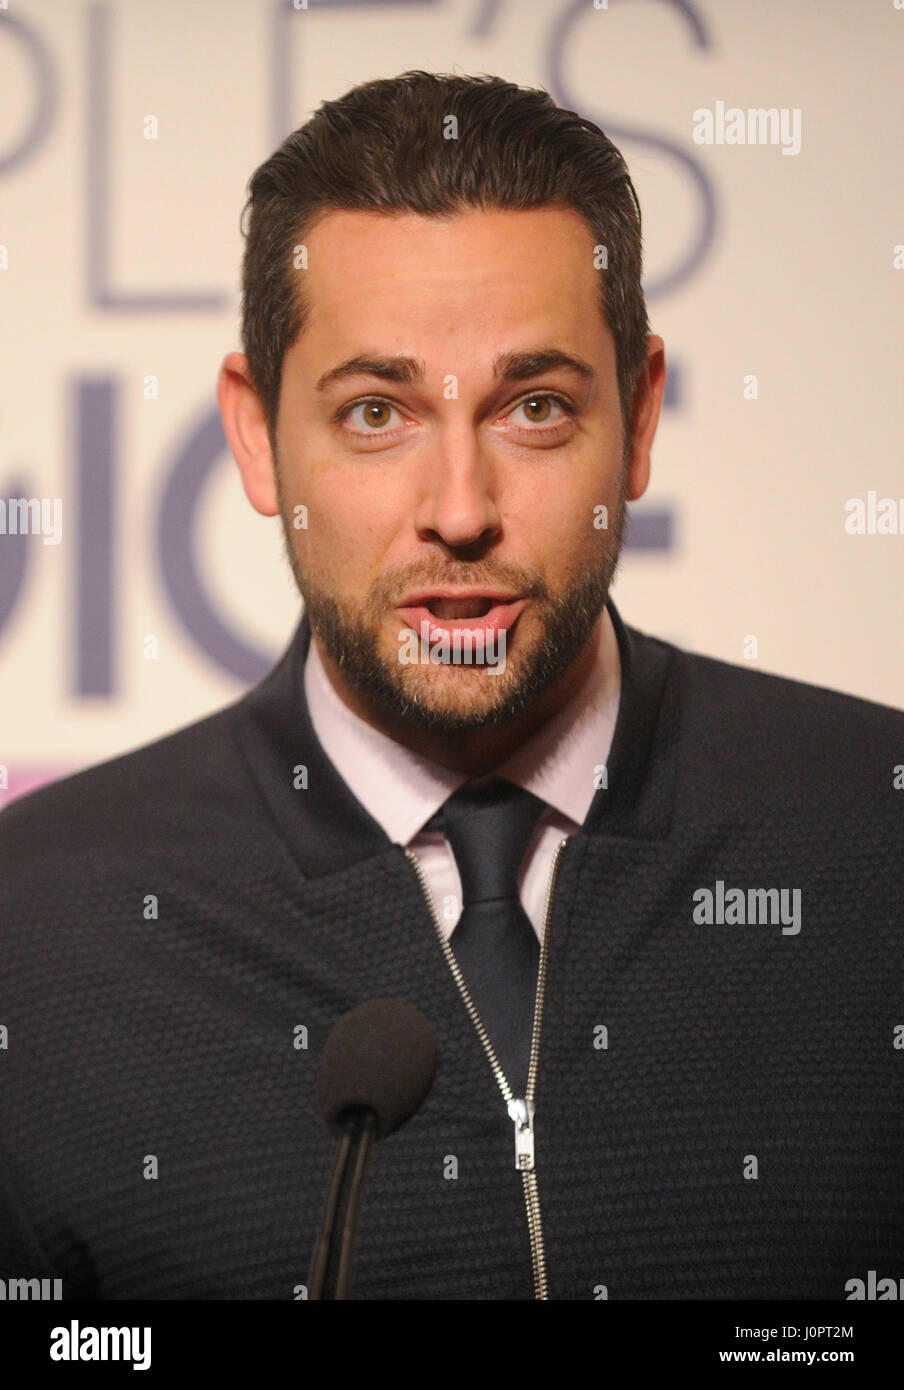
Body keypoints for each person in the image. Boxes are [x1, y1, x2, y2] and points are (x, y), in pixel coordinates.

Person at [1, 70, 901, 1302]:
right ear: (258, 436)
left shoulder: (876, 833)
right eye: (377, 413)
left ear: (638, 420)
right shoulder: (34, 930)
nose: (461, 511)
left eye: (534, 407)